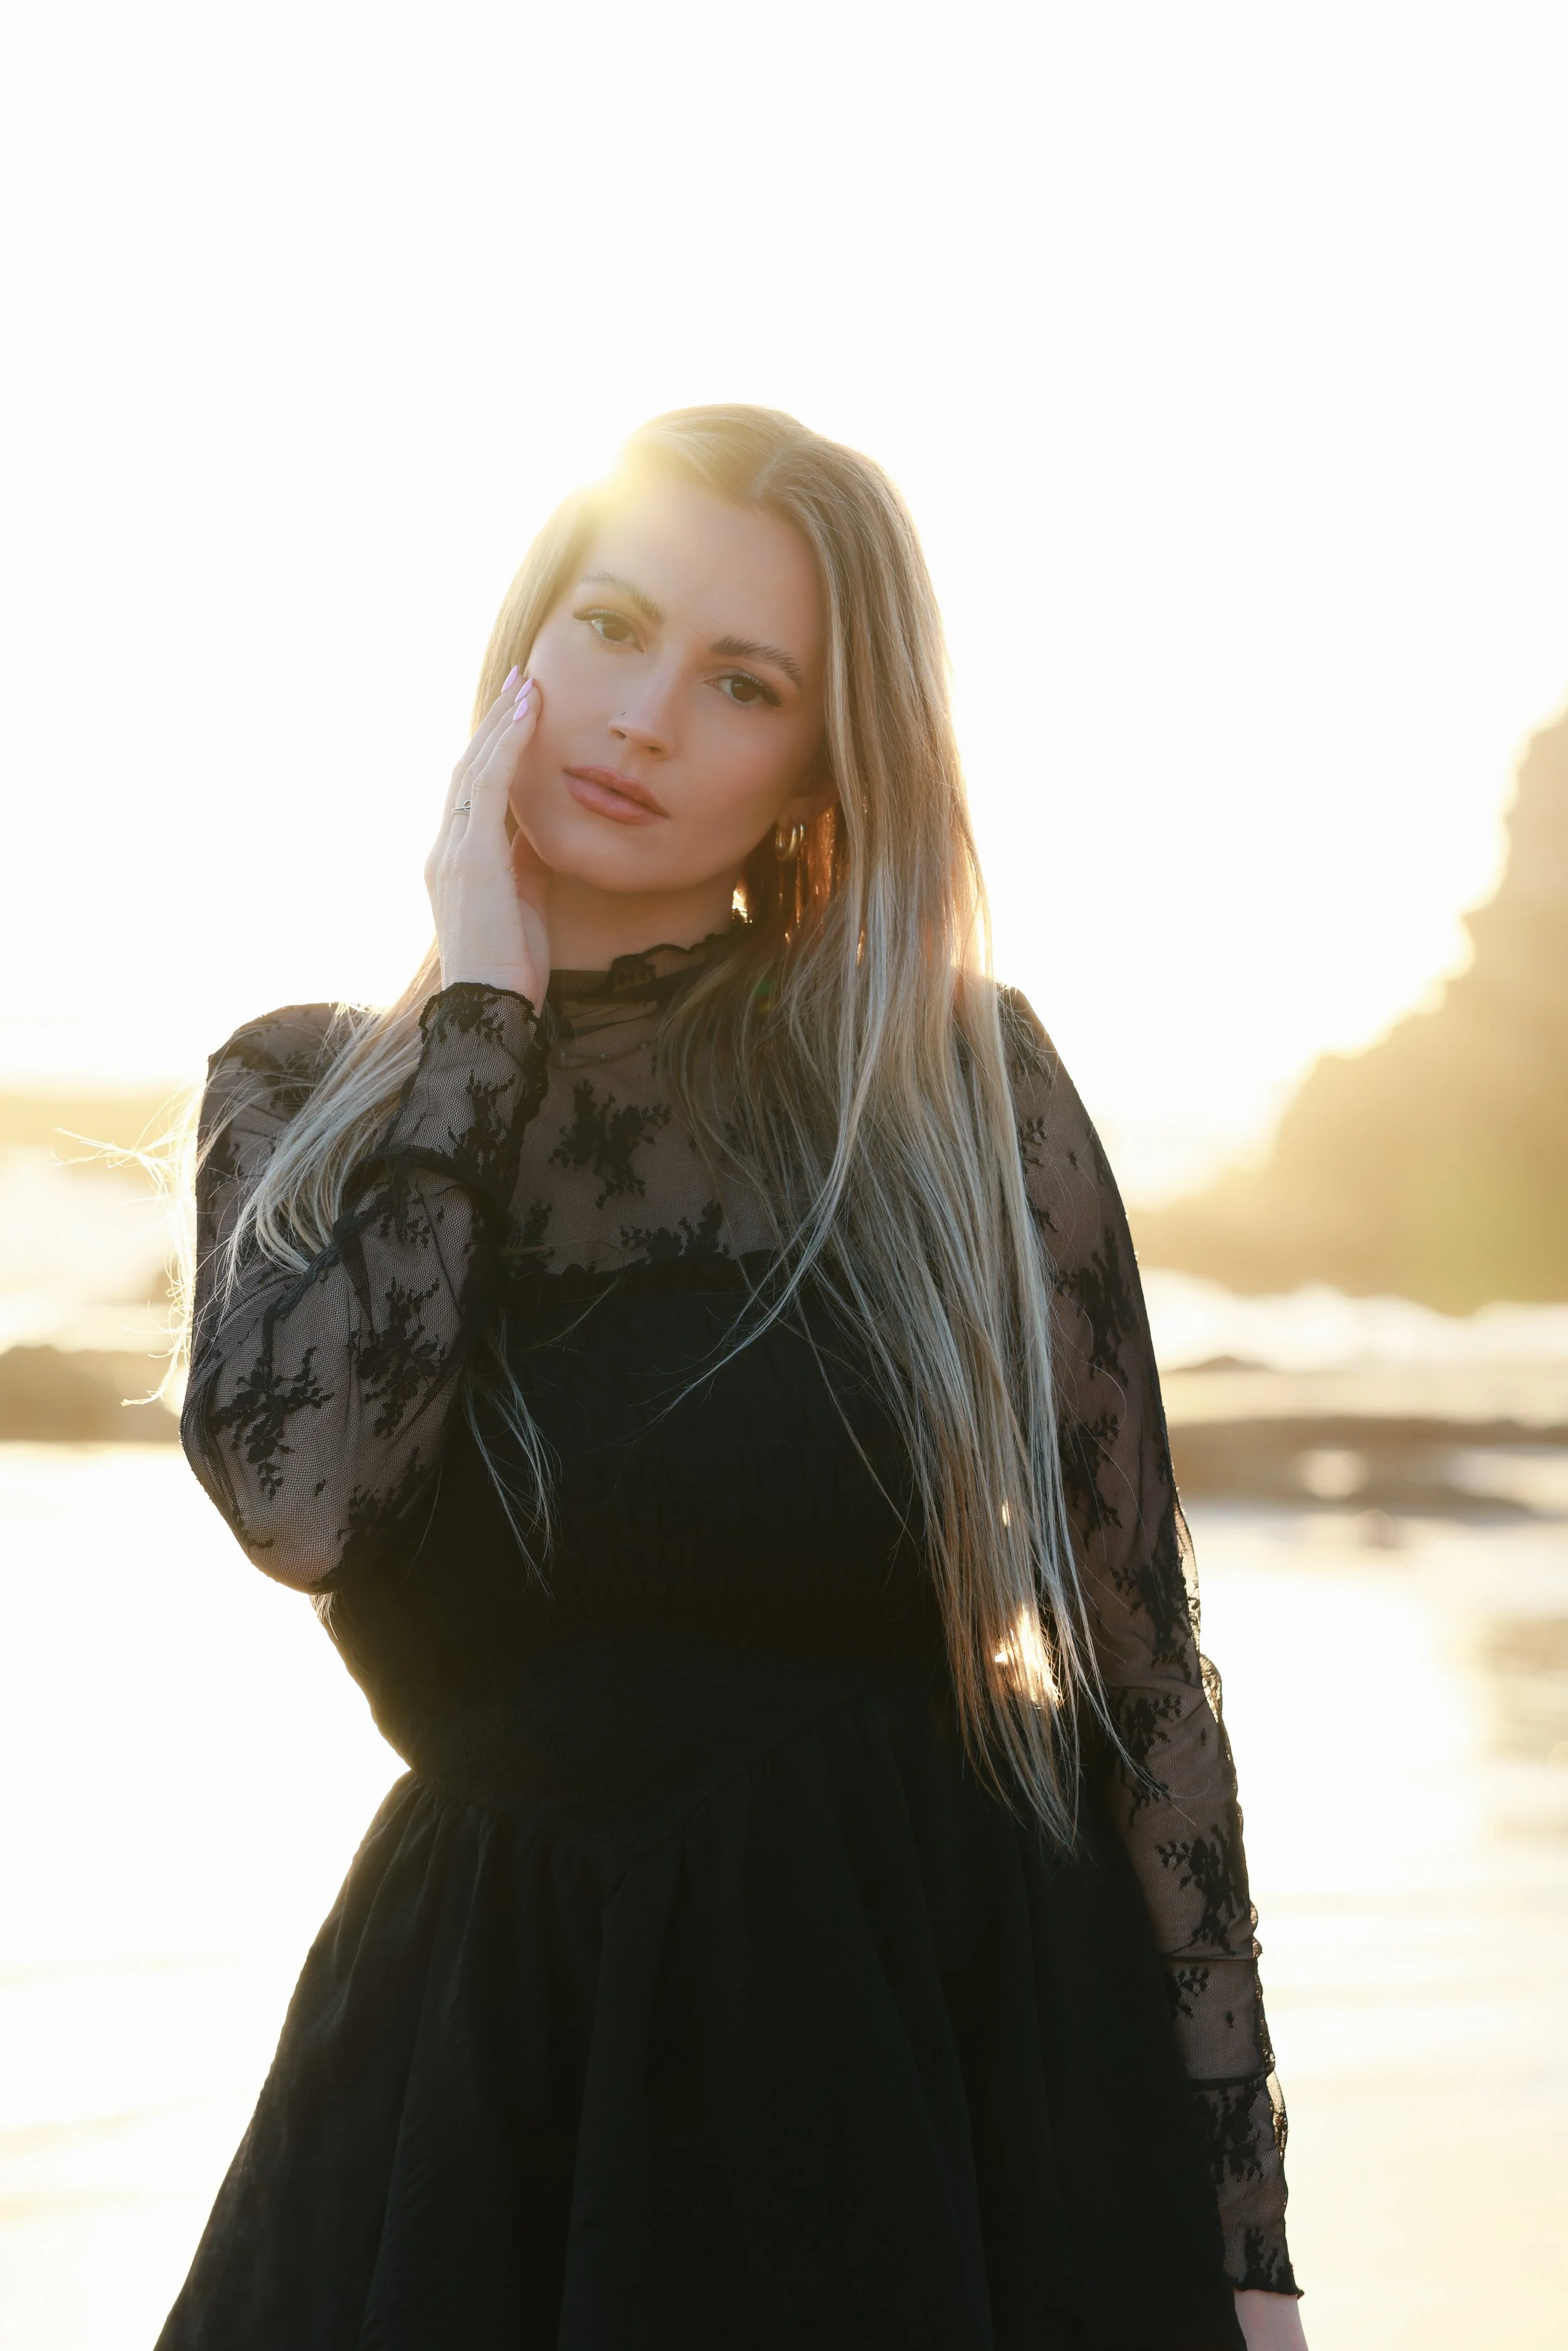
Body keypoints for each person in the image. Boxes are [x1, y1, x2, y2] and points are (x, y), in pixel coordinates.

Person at [159, 406, 1306, 2350]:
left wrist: (1239, 2239)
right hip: (500, 2072)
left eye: (741, 682)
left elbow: (1137, 1669)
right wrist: (483, 1020)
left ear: (814, 772)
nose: (643, 717)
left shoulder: (955, 1090)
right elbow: (313, 1500)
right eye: (610, 627)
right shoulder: (303, 1099)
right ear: (520, 644)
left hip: (949, 2064)